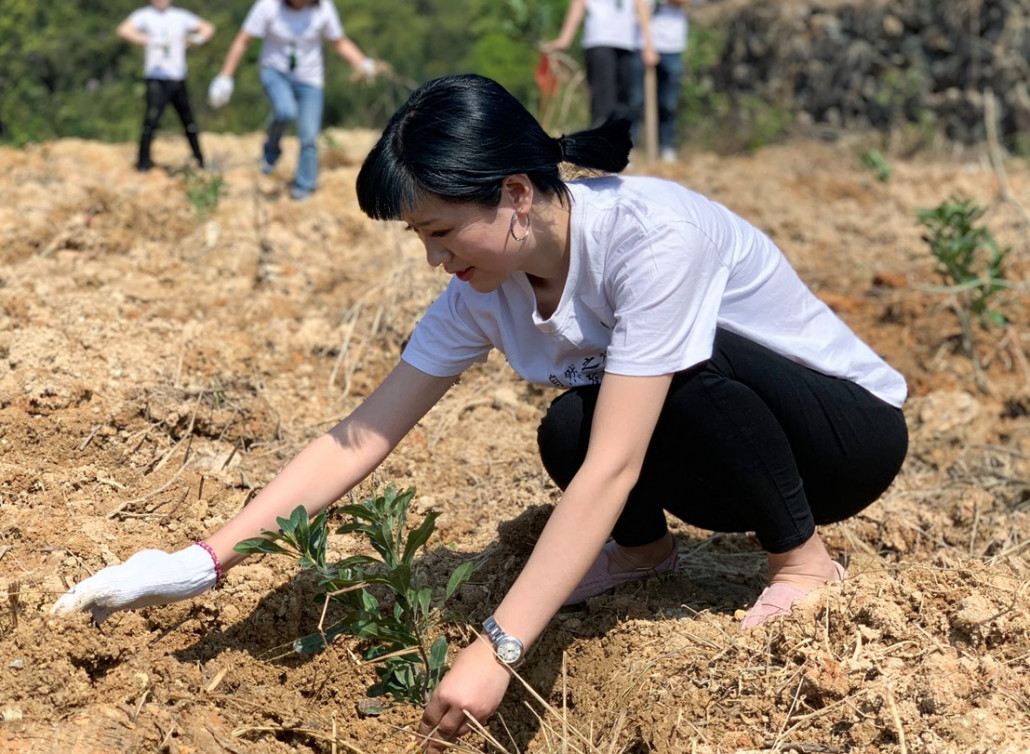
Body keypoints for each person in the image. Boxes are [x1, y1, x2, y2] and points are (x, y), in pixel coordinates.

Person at [52, 74, 908, 752]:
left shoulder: (651, 236)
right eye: (417, 238)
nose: (432, 258)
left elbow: (617, 464)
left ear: (514, 194)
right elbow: (362, 433)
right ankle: (644, 554)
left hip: (842, 440)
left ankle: (801, 566)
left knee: (665, 378)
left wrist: (498, 646)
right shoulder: (483, 291)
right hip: (727, 463)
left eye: (440, 231)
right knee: (569, 426)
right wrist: (204, 562)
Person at [206, 0, 385, 201]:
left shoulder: (323, 8)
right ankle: (271, 150)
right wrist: (225, 76)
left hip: (310, 79)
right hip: (275, 72)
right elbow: (244, 40)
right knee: (285, 111)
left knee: (309, 136)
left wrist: (362, 62)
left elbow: (339, 41)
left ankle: (304, 188)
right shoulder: (268, 6)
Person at [117, 0, 215, 172]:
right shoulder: (144, 15)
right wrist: (147, 40)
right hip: (156, 78)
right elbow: (123, 31)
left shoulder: (180, 16)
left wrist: (195, 40)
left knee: (189, 122)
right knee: (151, 122)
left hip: (177, 77)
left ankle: (200, 161)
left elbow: (208, 28)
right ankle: (143, 164)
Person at [543, 0, 658, 129]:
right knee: (603, 100)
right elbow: (578, 4)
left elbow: (641, 6)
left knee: (624, 101)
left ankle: (617, 143)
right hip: (598, 40)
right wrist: (565, 39)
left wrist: (649, 46)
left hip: (627, 43)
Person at [631, 0, 692, 163]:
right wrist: (649, 45)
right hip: (641, 43)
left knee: (668, 103)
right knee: (635, 101)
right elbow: (639, 7)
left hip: (672, 45)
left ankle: (667, 146)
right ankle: (630, 149)